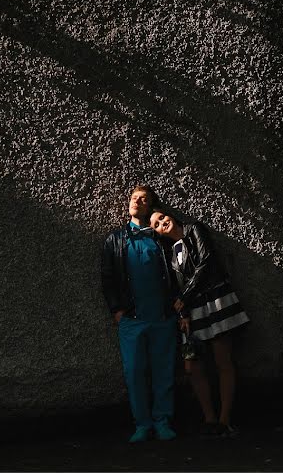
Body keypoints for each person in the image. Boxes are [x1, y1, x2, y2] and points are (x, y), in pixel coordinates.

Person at [150, 208, 249, 438]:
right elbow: (177, 284)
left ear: (171, 216)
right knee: (192, 365)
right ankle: (209, 419)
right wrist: (183, 311)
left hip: (215, 300)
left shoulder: (194, 229)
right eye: (156, 224)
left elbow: (207, 261)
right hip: (193, 309)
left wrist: (184, 297)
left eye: (162, 217)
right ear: (157, 233)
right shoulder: (171, 253)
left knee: (222, 358)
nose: (162, 222)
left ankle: (224, 421)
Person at [101, 185, 180, 443]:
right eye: (134, 197)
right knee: (134, 372)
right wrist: (117, 310)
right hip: (132, 319)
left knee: (164, 371)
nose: (137, 201)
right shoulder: (115, 239)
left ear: (150, 207)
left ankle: (162, 421)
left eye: (143, 199)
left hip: (163, 317)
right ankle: (142, 424)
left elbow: (177, 271)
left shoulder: (160, 237)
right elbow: (108, 277)